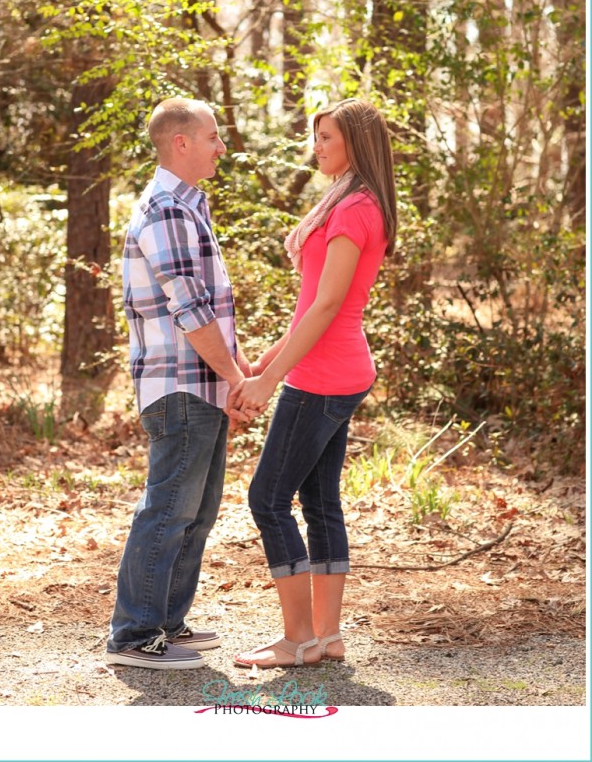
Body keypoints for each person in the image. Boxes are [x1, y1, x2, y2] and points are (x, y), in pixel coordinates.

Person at [228, 98, 397, 669]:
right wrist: (263, 364)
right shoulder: (347, 200)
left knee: (268, 499)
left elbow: (327, 308)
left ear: (356, 143)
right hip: (333, 369)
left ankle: (298, 637)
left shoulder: (354, 210)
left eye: (327, 137)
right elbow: (310, 309)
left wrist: (269, 380)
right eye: (316, 136)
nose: (317, 147)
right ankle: (326, 637)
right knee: (320, 501)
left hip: (324, 376)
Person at [106, 97, 250, 670]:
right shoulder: (166, 208)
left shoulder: (188, 207)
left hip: (201, 384)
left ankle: (166, 622)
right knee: (168, 508)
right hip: (181, 386)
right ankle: (135, 636)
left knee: (197, 509)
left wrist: (234, 376)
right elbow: (189, 309)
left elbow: (206, 308)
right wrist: (238, 378)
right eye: (213, 137)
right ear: (181, 143)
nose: (222, 147)